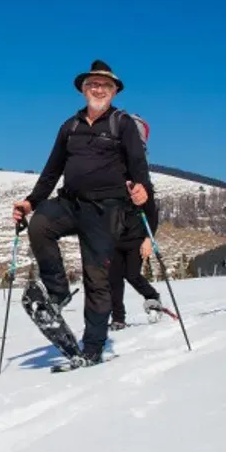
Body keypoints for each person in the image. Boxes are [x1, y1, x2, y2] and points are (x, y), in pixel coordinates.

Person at [12, 59, 151, 364]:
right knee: (40, 226)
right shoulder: (70, 126)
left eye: (105, 85)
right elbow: (52, 170)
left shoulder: (122, 124)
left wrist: (141, 188)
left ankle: (92, 346)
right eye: (92, 84)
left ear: (114, 91)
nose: (98, 89)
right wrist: (31, 202)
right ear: (83, 89)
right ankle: (58, 292)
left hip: (107, 208)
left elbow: (139, 167)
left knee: (96, 277)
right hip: (71, 202)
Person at [109, 182, 164, 330]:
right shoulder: (111, 184)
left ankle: (153, 298)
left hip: (136, 240)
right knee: (114, 279)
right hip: (115, 240)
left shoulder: (139, 185)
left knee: (132, 274)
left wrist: (148, 240)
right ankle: (118, 319)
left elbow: (152, 215)